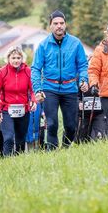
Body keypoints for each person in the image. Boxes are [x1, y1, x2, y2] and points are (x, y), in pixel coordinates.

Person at [31, 10, 89, 149]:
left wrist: (83, 80)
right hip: (50, 88)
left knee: (71, 126)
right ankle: (52, 153)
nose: (59, 26)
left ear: (65, 25)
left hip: (70, 88)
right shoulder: (43, 45)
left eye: (62, 23)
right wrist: (38, 89)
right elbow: (35, 69)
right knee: (51, 124)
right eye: (55, 23)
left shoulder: (75, 43)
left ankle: (65, 149)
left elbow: (82, 65)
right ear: (50, 26)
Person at [0, 46, 36, 155]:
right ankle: (7, 162)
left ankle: (18, 162)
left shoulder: (28, 71)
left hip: (23, 110)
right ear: (8, 59)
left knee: (21, 140)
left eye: (18, 58)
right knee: (9, 138)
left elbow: (33, 89)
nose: (16, 60)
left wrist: (34, 101)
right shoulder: (2, 72)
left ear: (22, 59)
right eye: (13, 58)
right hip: (7, 110)